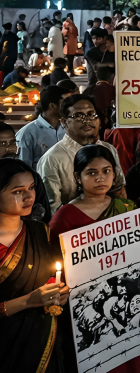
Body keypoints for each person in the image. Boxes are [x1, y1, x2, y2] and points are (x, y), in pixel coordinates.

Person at [48, 144, 140, 373]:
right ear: (78, 178)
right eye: (92, 172)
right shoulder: (65, 216)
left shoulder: (127, 209)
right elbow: (55, 262)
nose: (100, 178)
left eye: (106, 171)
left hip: (124, 301)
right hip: (88, 304)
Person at [0, 159, 69, 372]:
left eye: (31, 187)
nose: (29, 196)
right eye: (18, 191)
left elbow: (53, 278)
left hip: (40, 339)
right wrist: (28, 301)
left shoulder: (40, 232)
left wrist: (59, 293)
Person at [38, 94, 125, 212]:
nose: (87, 120)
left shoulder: (108, 149)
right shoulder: (53, 159)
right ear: (64, 122)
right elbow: (53, 209)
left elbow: (119, 190)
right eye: (78, 116)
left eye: (91, 114)